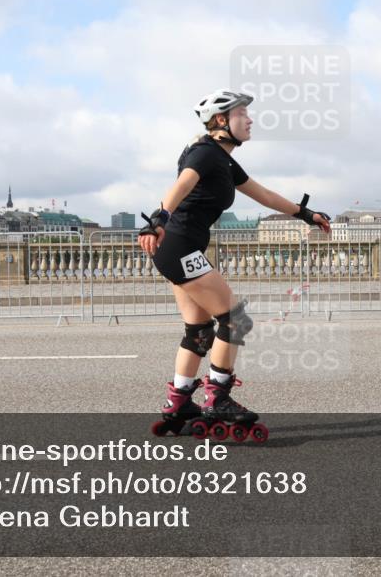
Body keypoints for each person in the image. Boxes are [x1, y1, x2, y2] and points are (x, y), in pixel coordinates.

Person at [138, 89, 331, 441]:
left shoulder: (223, 160)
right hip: (177, 245)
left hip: (178, 247)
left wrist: (306, 214)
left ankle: (178, 402)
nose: (251, 119)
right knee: (235, 319)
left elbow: (264, 195)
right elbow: (182, 185)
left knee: (199, 331)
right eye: (243, 114)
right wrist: (158, 218)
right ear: (222, 120)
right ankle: (219, 398)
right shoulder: (204, 153)